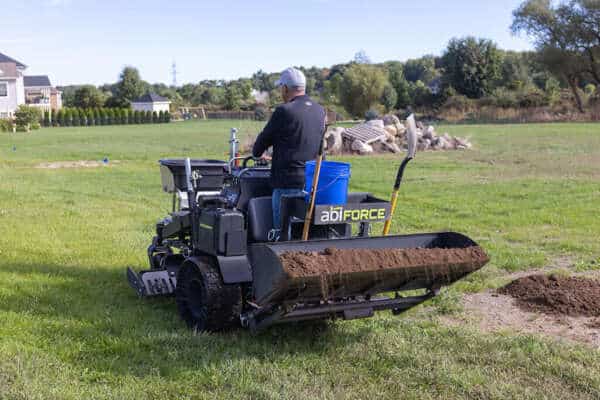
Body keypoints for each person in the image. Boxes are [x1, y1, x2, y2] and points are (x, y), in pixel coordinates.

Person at [252, 67, 326, 240]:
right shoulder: (319, 110)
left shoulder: (284, 111)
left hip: (287, 184)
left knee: (283, 237)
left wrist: (259, 153)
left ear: (285, 88)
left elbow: (259, 146)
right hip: (312, 183)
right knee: (306, 237)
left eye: (281, 88)